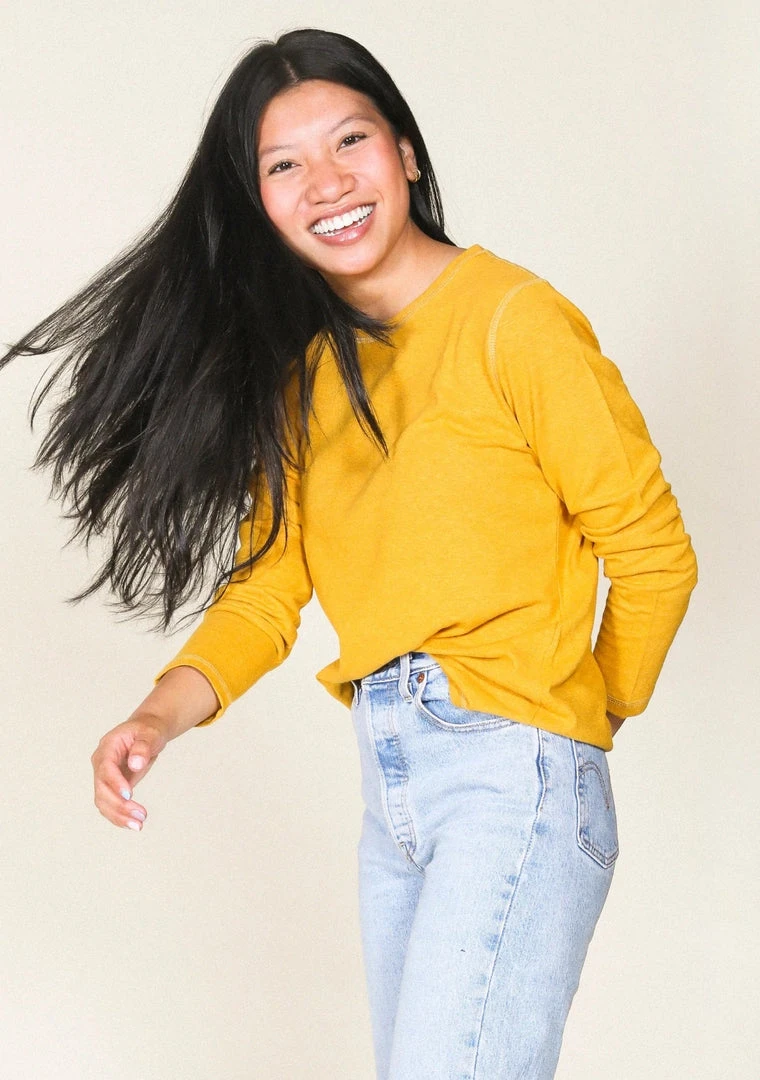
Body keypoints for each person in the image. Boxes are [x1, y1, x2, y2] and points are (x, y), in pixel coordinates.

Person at [1, 27, 697, 1080]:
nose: (326, 182)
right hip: (394, 791)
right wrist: (154, 716)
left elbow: (651, 550)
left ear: (405, 153)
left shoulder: (513, 321)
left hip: (511, 778)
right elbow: (263, 594)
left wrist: (584, 719)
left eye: (350, 141)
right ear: (259, 203)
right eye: (284, 165)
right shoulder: (303, 383)